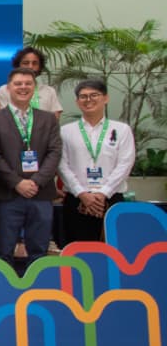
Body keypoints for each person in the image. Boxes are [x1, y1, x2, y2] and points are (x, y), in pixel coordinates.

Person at [0, 67, 63, 268]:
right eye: (18, 84)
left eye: (28, 83)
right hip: (7, 194)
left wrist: (36, 181)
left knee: (39, 252)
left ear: (34, 88)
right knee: (4, 252)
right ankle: (3, 294)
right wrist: (17, 182)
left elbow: (54, 152)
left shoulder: (48, 119)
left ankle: (40, 293)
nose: (23, 87)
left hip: (40, 193)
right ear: (9, 88)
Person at [57, 79, 135, 243]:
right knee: (79, 252)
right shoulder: (66, 131)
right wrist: (82, 193)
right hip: (77, 199)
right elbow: (62, 165)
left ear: (105, 98)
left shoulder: (121, 130)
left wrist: (103, 193)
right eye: (83, 96)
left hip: (112, 199)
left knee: (113, 249)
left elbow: (125, 164)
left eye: (94, 95)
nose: (88, 100)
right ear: (77, 102)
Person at [0, 46, 63, 119]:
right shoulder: (4, 90)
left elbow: (55, 120)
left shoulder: (49, 91)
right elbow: (1, 120)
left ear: (40, 67)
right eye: (26, 63)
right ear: (18, 65)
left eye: (35, 63)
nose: (30, 67)